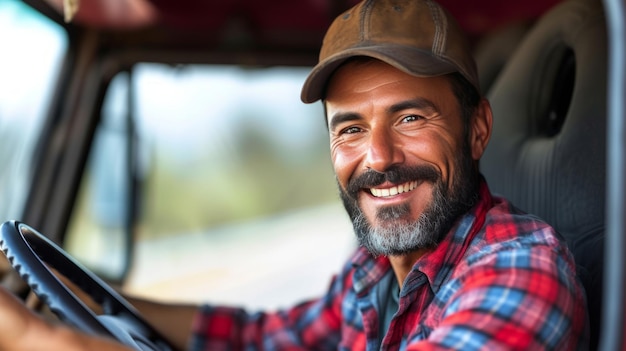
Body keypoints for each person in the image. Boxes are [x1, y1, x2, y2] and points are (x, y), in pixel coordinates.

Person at [0, 0, 589, 350]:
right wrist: (82, 295)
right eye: (350, 129)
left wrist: (36, 340)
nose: (378, 158)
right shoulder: (375, 270)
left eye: (410, 117)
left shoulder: (523, 269)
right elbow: (259, 339)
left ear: (478, 129)